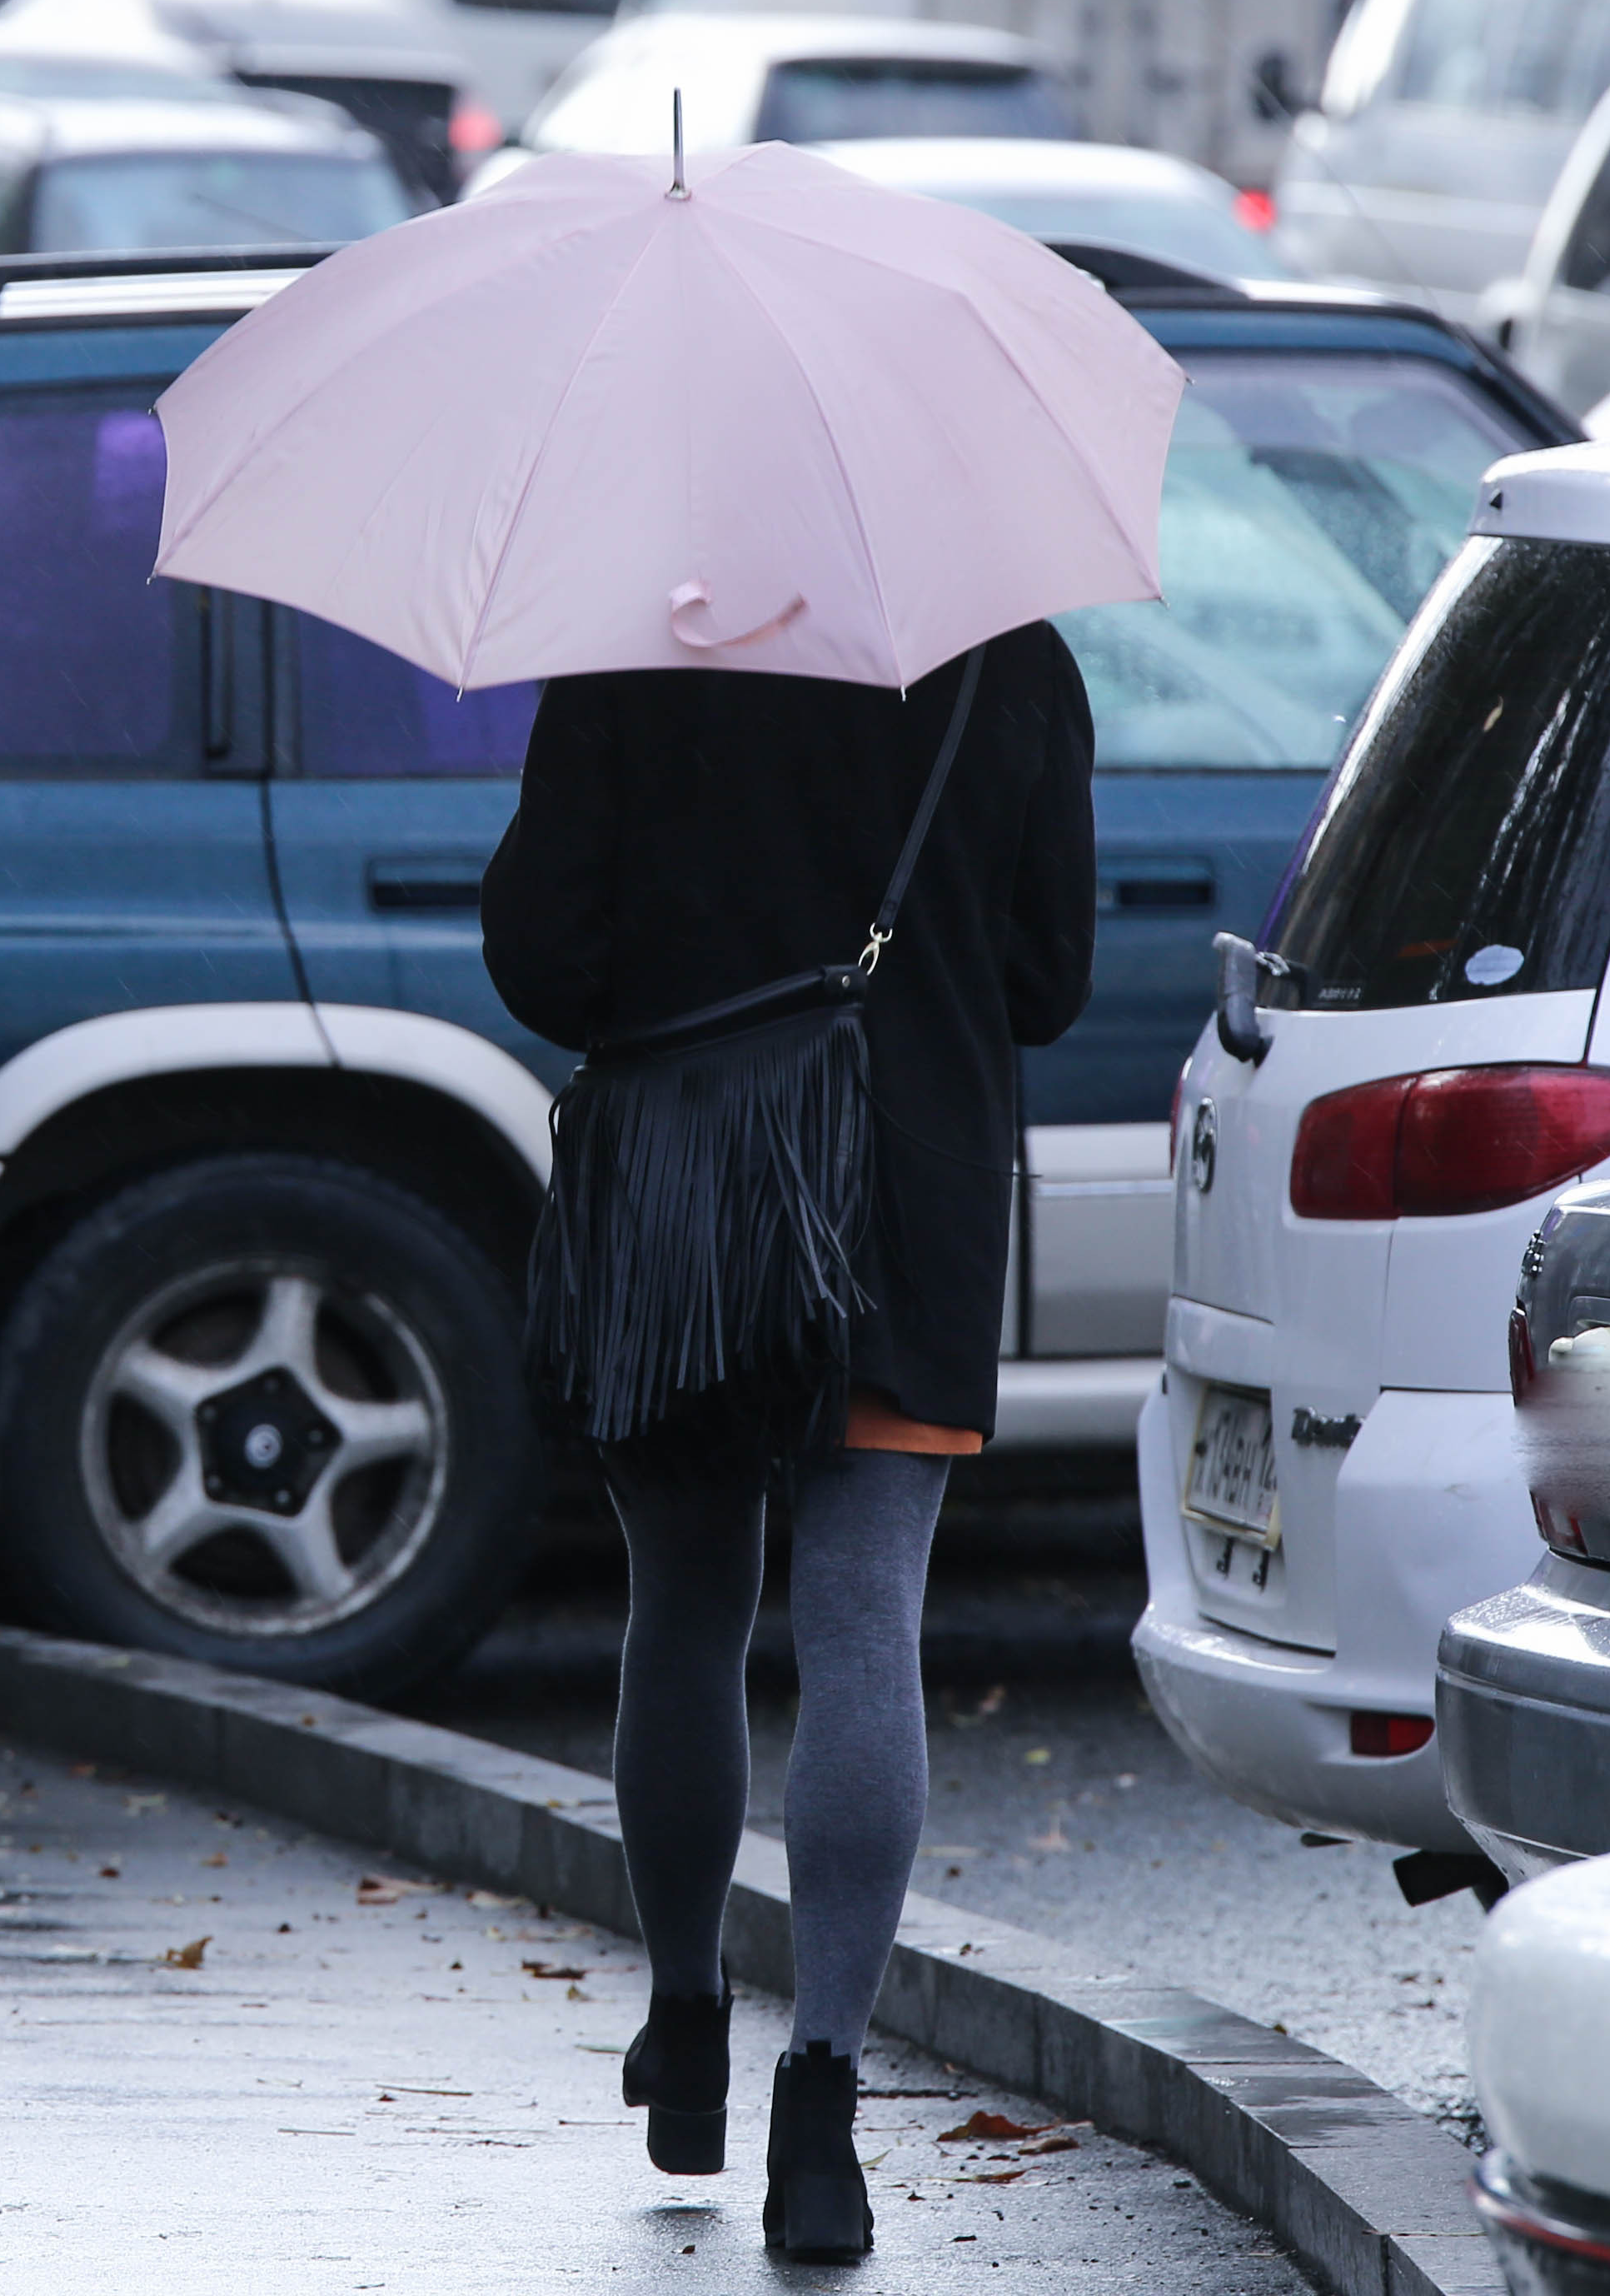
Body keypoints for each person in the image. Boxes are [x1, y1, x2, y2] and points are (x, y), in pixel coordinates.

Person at [478, 630, 1095, 2265]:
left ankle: (687, 2020)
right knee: (862, 1620)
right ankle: (819, 2115)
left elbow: (542, 962)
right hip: (910, 1182)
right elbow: (1048, 980)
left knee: (680, 1608)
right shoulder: (1008, 655)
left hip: (678, 1197)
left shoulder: (628, 652)